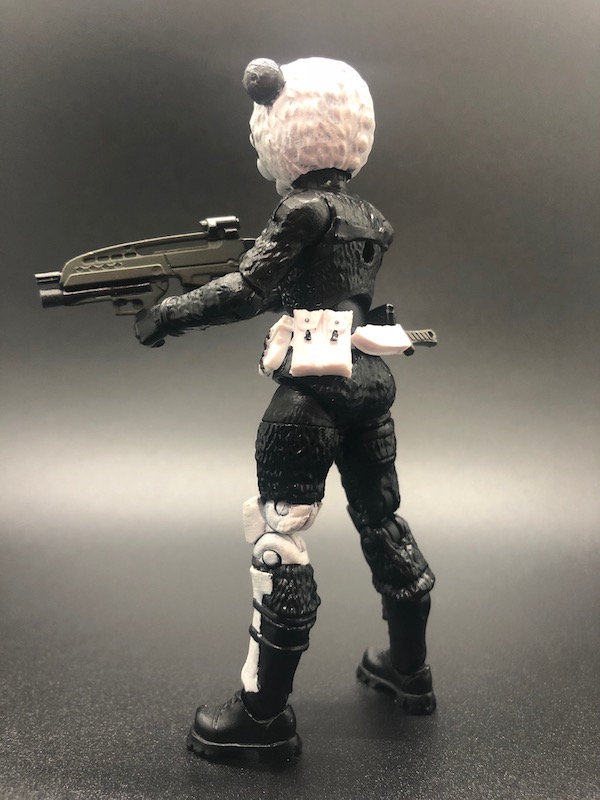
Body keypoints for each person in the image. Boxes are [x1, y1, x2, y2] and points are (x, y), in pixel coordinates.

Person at [135, 57, 436, 760]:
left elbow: (247, 291)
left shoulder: (302, 210)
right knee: (382, 520)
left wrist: (168, 314)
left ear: (282, 123)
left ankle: (263, 715)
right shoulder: (373, 217)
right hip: (368, 383)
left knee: (280, 543)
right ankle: (409, 671)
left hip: (309, 399)